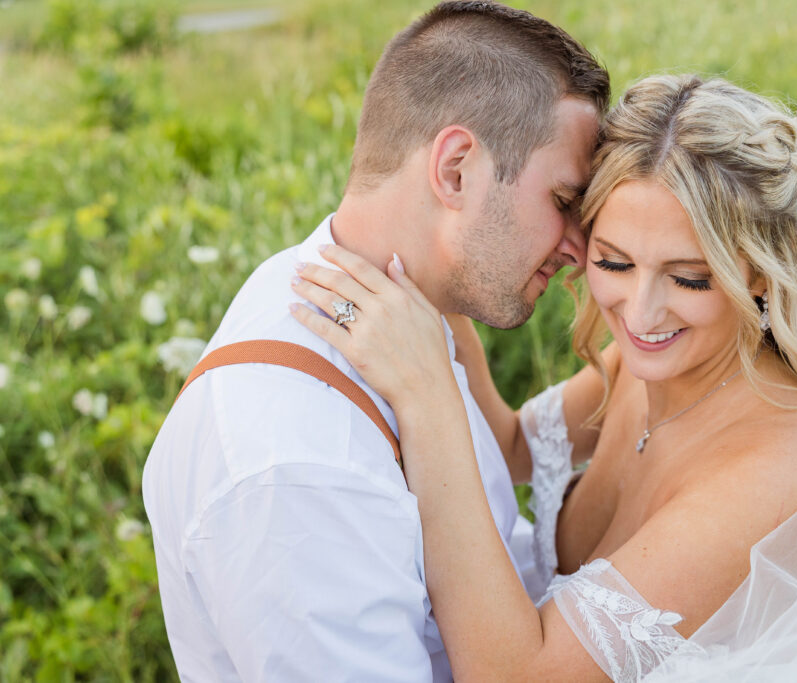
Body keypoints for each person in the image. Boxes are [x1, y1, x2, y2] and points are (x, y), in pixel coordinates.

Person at [293, 73, 797, 681]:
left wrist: (426, 391)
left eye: (689, 277)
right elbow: (516, 441)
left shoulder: (789, 464)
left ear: (761, 277)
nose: (639, 313)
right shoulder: (653, 362)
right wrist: (434, 278)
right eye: (612, 262)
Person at [142, 2, 609, 680]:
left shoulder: (403, 313)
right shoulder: (298, 464)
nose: (578, 249)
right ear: (455, 169)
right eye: (564, 201)